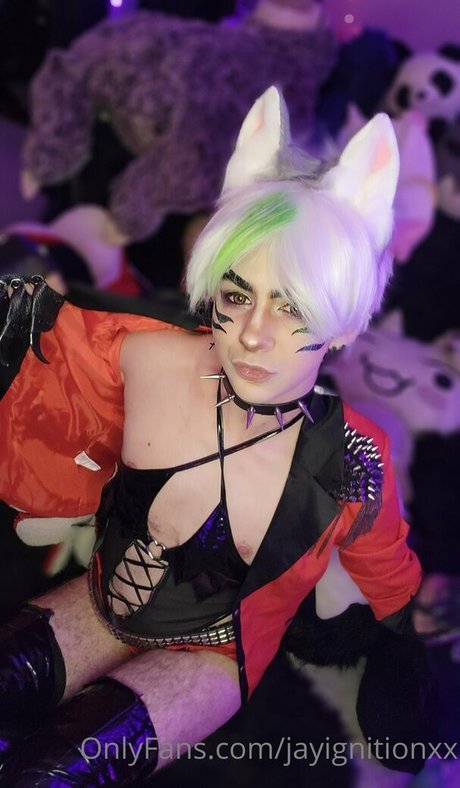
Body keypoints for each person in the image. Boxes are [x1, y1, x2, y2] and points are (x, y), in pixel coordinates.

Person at [0, 87, 432, 785]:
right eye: (237, 296)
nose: (254, 335)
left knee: (50, 775)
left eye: (293, 307)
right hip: (100, 602)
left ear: (343, 324)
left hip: (213, 654)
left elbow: (384, 562)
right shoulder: (148, 356)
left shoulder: (350, 458)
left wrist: (398, 653)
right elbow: (39, 361)